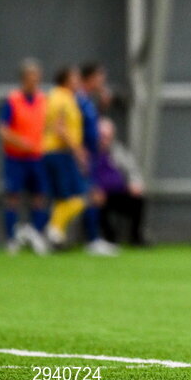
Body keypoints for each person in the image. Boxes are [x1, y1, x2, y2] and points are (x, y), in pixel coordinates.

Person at [0, 58, 50, 255]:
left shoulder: (43, 99)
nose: (35, 80)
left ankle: (36, 235)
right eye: (31, 76)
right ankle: (11, 239)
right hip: (16, 157)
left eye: (37, 76)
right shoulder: (13, 100)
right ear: (23, 78)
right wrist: (20, 142)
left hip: (36, 157)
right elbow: (2, 130)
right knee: (13, 197)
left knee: (39, 197)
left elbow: (48, 125)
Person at [42, 65, 89, 248]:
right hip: (59, 153)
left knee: (64, 198)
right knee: (76, 198)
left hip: (57, 152)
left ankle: (55, 232)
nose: (78, 81)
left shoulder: (61, 96)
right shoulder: (61, 98)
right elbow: (60, 128)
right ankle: (53, 229)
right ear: (66, 80)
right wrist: (78, 150)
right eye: (75, 78)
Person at [78, 62, 118, 256]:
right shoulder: (78, 98)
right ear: (91, 77)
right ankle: (89, 239)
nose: (103, 82)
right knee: (87, 195)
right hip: (81, 154)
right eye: (100, 77)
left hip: (91, 153)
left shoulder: (89, 100)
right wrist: (79, 150)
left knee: (94, 195)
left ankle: (93, 238)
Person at [91, 118, 147, 246]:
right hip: (98, 193)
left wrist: (135, 183)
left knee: (138, 199)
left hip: (118, 192)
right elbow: (84, 175)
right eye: (102, 136)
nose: (105, 139)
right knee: (99, 202)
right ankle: (109, 238)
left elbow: (132, 169)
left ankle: (136, 237)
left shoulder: (118, 150)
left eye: (108, 136)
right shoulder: (89, 152)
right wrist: (94, 189)